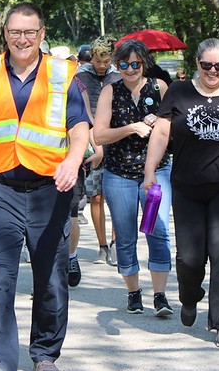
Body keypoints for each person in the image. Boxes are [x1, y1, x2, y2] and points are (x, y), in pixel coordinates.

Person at [0, 2, 90, 371]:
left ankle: (45, 355)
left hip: (49, 192)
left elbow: (79, 126)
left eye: (29, 32)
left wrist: (73, 160)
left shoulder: (63, 74)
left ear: (42, 34)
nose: (22, 39)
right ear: (5, 34)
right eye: (14, 32)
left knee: (52, 280)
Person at [143, 38, 219, 348]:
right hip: (187, 186)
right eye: (207, 65)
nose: (213, 71)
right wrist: (150, 171)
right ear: (197, 63)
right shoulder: (179, 92)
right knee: (189, 258)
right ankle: (189, 296)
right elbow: (161, 132)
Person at [93, 39, 173, 316]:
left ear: (144, 63)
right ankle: (133, 293)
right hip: (120, 175)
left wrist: (158, 122)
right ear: (117, 65)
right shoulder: (110, 91)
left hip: (156, 173)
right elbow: (99, 135)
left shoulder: (159, 87)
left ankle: (160, 296)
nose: (130, 69)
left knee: (157, 230)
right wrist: (131, 128)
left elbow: (173, 126)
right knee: (125, 235)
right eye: (124, 64)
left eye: (136, 64)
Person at [75, 34, 121, 265]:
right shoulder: (80, 77)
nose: (101, 65)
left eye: (106, 61)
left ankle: (116, 243)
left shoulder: (118, 76)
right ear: (90, 57)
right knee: (96, 196)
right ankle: (102, 245)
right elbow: (83, 113)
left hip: (117, 140)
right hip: (92, 140)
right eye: (97, 61)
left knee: (117, 197)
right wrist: (96, 143)